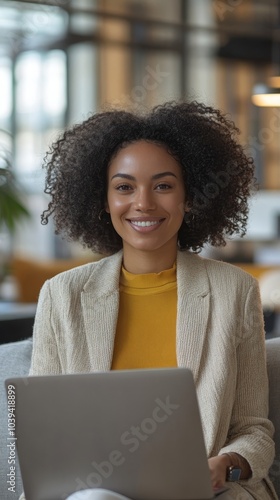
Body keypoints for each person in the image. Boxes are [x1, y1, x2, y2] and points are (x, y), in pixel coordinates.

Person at [22, 101, 277, 500]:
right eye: (124, 187)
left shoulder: (235, 292)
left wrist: (225, 465)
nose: (143, 203)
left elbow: (253, 431)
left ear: (189, 197)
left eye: (163, 185)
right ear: (103, 201)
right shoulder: (62, 295)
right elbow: (43, 428)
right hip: (98, 487)